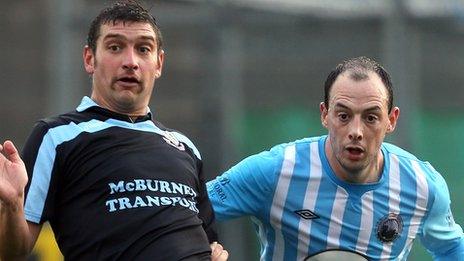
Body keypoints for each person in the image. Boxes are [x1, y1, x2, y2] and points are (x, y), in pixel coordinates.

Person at [0, 0, 228, 260]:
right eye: (115, 47)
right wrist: (13, 203)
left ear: (159, 63)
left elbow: (212, 246)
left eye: (143, 49)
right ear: (89, 58)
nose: (130, 62)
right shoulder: (57, 136)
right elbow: (12, 253)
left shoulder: (185, 147)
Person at [207, 56, 464, 260]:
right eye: (343, 116)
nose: (355, 131)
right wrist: (199, 253)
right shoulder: (273, 171)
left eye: (371, 117)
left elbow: (452, 249)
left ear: (391, 120)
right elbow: (183, 210)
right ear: (325, 115)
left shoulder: (423, 186)